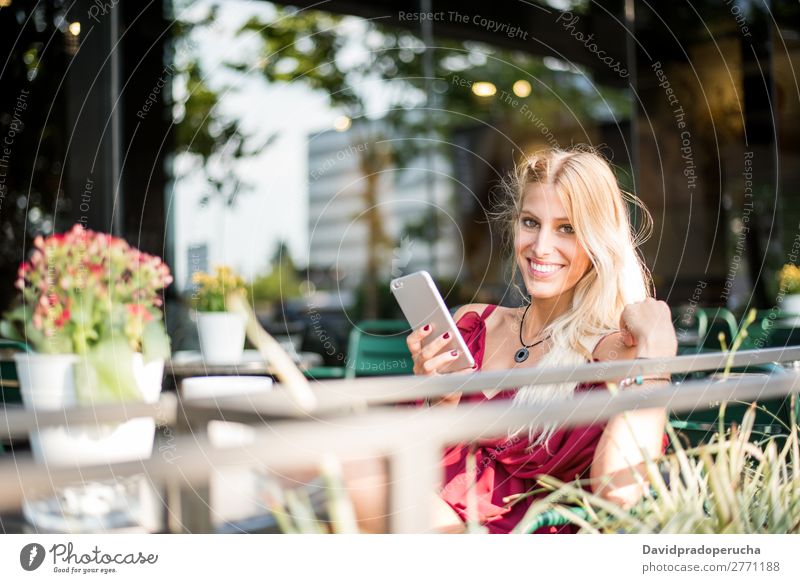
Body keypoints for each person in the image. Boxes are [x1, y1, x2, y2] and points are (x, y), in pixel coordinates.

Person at [405, 147, 677, 534]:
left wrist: (657, 358)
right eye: (531, 222)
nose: (541, 247)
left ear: (598, 241)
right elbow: (416, 460)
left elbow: (619, 493)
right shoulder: (473, 324)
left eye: (567, 228)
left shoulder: (613, 352)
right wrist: (438, 402)